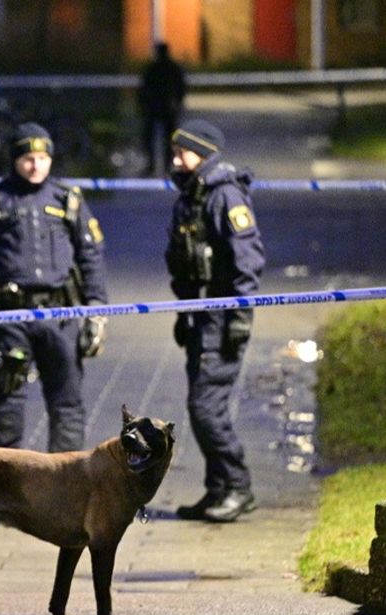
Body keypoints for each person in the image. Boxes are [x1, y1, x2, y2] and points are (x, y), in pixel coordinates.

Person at [0, 122, 108, 453]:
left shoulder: (69, 200)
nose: (36, 165)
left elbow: (91, 256)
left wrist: (98, 312)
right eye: (27, 158)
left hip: (61, 316)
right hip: (10, 318)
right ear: (14, 159)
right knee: (8, 406)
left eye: (42, 157)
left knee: (67, 405)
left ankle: (66, 489)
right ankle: (1, 490)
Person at [166, 119, 265, 523]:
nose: (174, 160)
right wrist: (184, 311)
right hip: (200, 316)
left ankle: (238, 487)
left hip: (222, 318)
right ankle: (218, 489)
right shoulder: (192, 195)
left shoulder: (224, 196)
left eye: (181, 153)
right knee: (202, 406)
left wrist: (240, 316)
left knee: (206, 407)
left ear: (202, 154)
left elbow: (248, 259)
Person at [139, 42, 187, 175]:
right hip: (165, 107)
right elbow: (181, 88)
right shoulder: (171, 68)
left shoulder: (153, 68)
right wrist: (178, 103)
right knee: (167, 138)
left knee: (152, 138)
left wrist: (143, 105)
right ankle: (164, 166)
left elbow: (143, 89)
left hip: (157, 107)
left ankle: (154, 165)